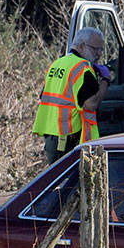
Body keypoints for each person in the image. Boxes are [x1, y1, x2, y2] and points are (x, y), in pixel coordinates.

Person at [33, 27, 110, 163]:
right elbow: (91, 104)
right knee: (71, 182)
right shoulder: (83, 68)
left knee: (57, 180)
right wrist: (105, 81)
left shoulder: (57, 64)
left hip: (51, 135)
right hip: (68, 137)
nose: (99, 54)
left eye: (101, 50)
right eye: (95, 49)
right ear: (81, 46)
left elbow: (46, 96)